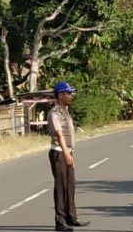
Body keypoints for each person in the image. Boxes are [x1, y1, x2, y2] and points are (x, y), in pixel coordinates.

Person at [48, 81, 90, 231]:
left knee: (70, 186)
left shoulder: (65, 111)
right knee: (61, 187)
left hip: (67, 151)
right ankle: (60, 221)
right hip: (59, 152)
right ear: (60, 95)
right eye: (68, 93)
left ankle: (71, 218)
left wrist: (70, 153)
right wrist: (66, 154)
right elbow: (59, 134)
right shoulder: (54, 113)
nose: (71, 96)